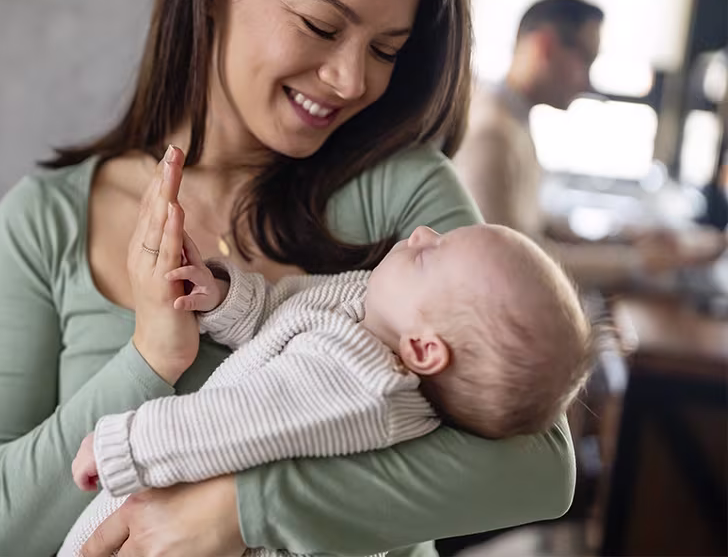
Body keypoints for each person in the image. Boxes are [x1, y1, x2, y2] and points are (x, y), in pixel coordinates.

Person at [0, 0, 578, 556]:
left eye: (385, 50)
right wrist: (150, 358)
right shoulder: (52, 221)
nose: (353, 80)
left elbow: (542, 469)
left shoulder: (403, 199)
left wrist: (243, 510)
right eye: (320, 26)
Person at [59, 197, 594, 557]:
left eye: (431, 257)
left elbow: (240, 422)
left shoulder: (365, 387)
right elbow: (286, 312)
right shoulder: (374, 307)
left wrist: (126, 444)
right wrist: (223, 299)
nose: (424, 232)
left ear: (424, 349)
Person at [453, 0, 725, 288]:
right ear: (545, 46)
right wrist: (637, 262)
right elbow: (510, 265)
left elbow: (531, 230)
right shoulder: (492, 134)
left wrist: (626, 240)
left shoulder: (511, 116)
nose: (587, 82)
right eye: (586, 60)